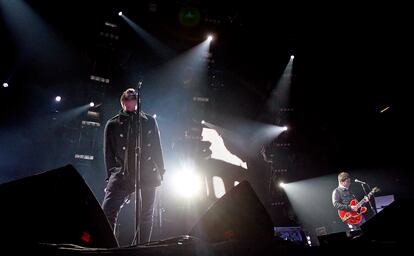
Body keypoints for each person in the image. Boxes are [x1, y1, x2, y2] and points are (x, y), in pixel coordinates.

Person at [102, 88, 165, 244]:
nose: (131, 101)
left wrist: (161, 170)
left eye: (134, 98)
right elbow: (108, 153)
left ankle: (140, 248)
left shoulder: (149, 121)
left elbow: (157, 146)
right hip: (122, 174)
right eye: (128, 99)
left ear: (138, 101)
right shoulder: (113, 124)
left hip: (147, 172)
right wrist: (111, 175)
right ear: (123, 102)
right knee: (107, 212)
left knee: (146, 214)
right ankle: (108, 246)